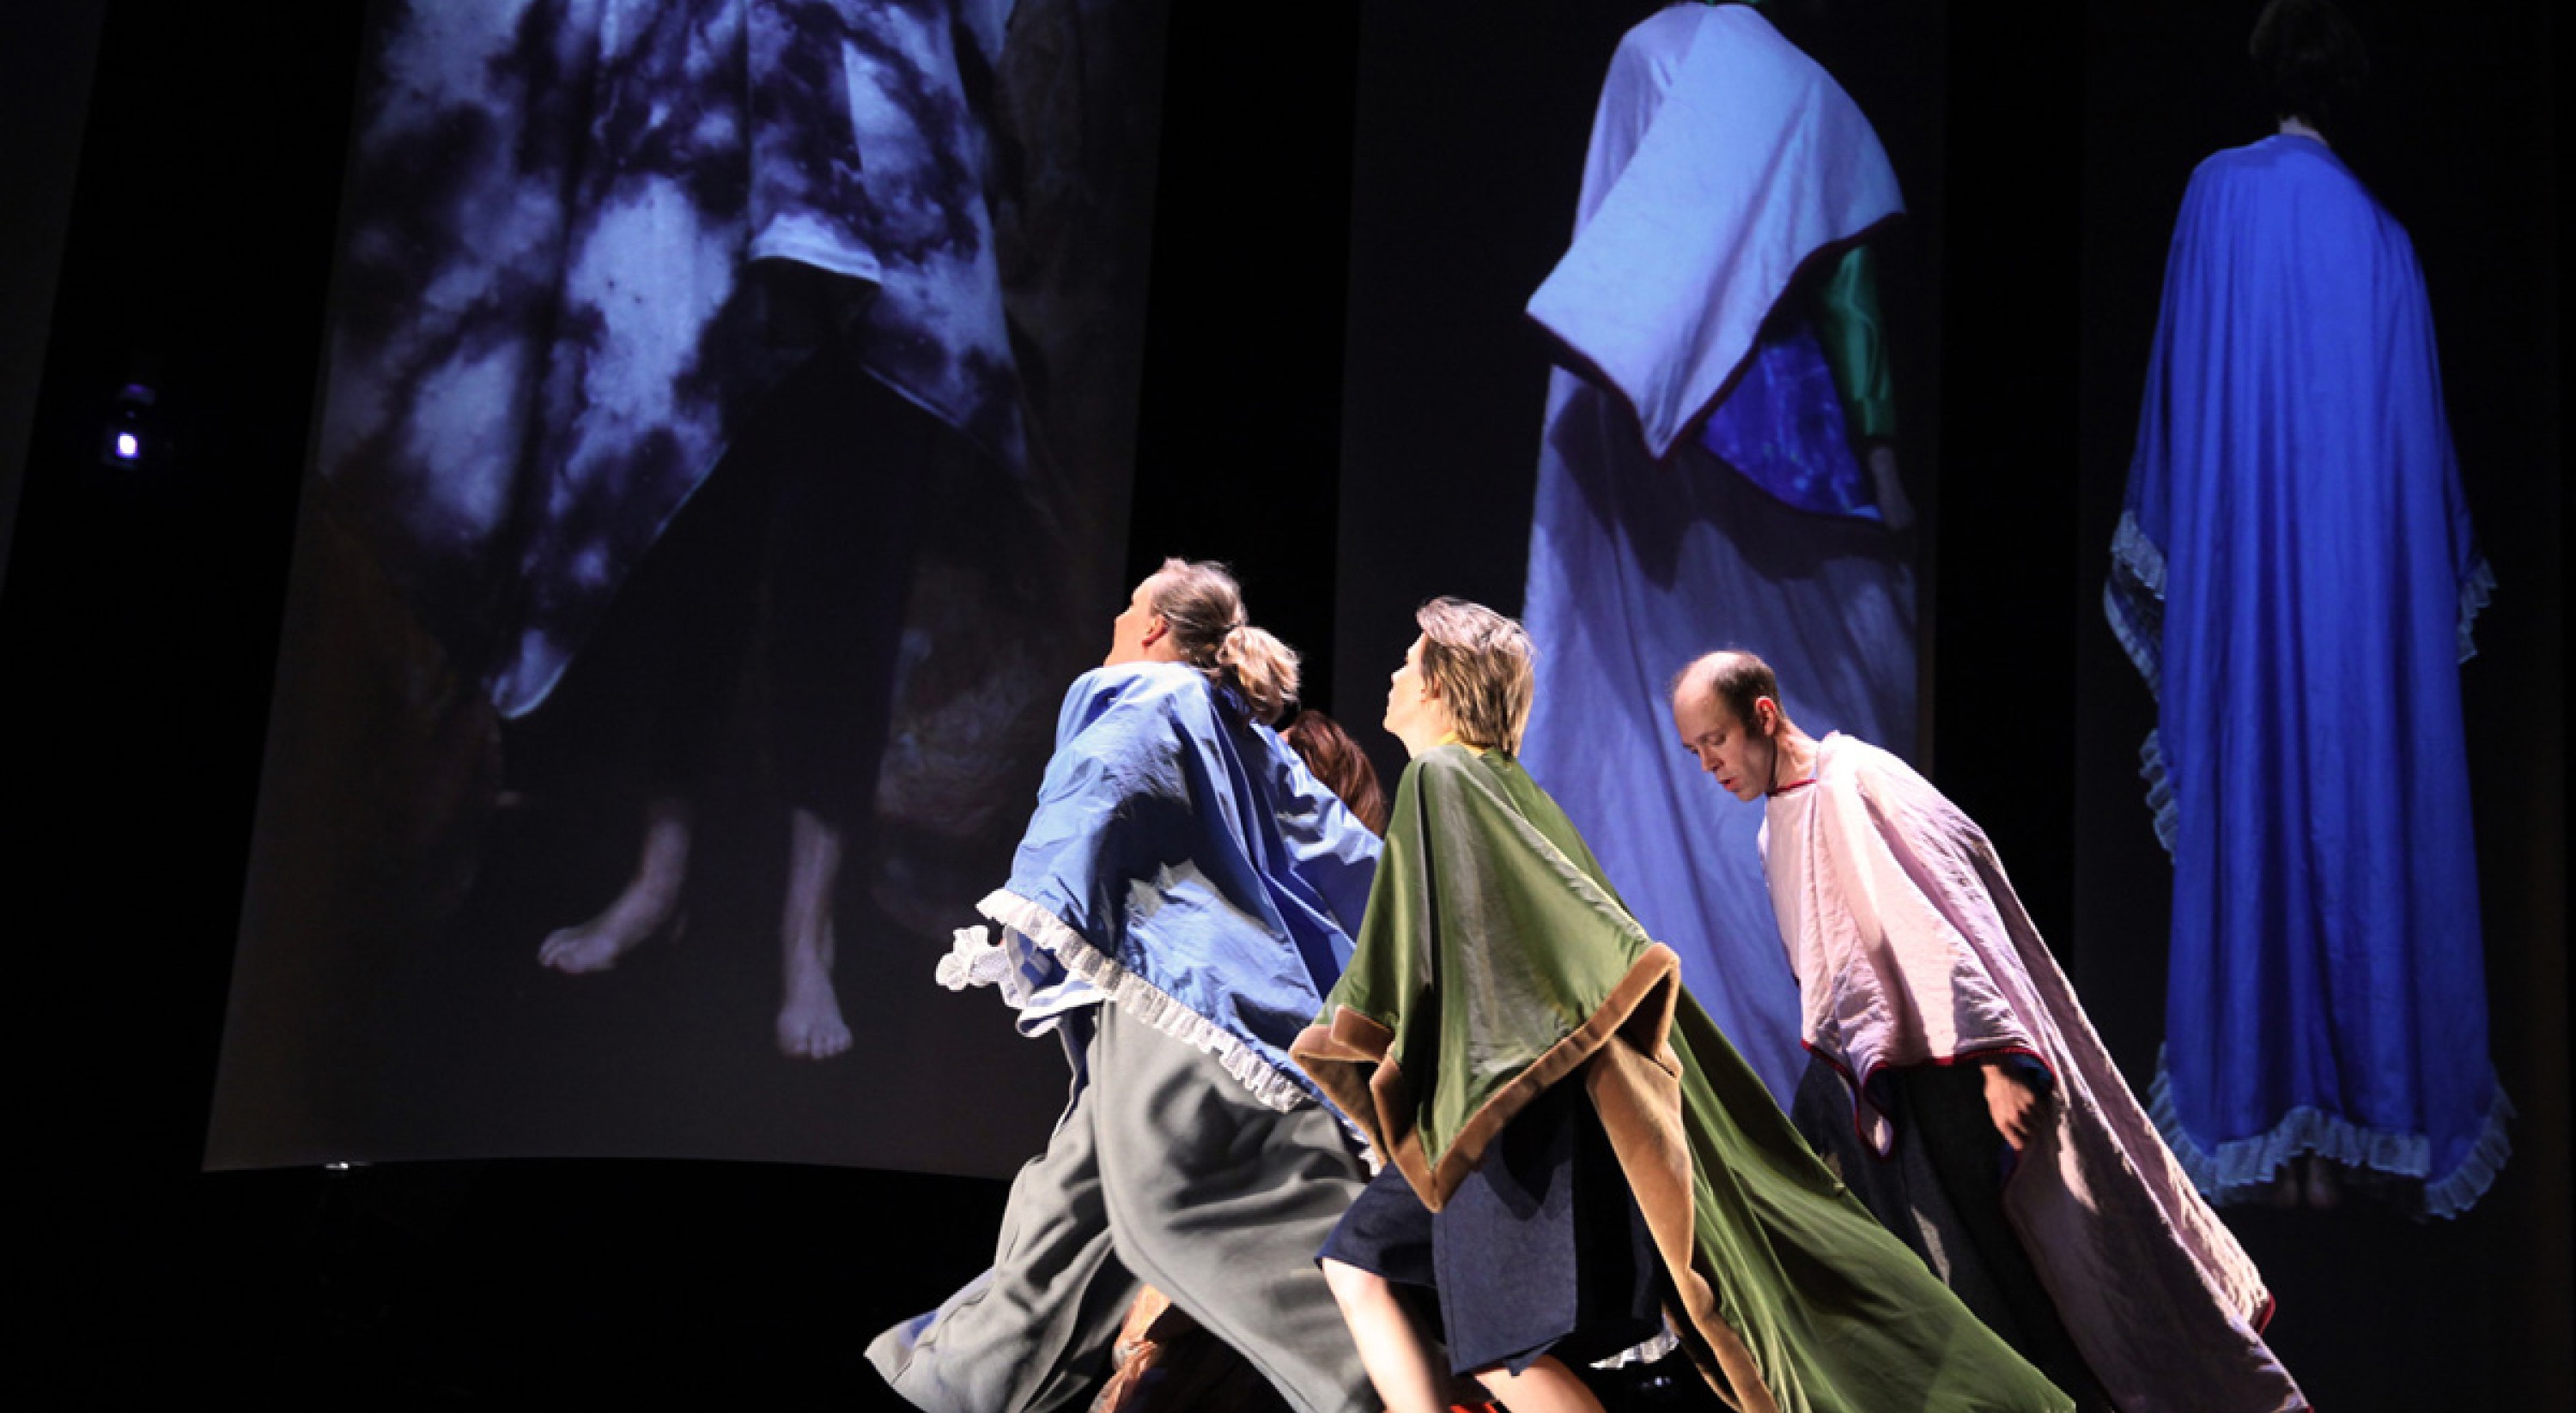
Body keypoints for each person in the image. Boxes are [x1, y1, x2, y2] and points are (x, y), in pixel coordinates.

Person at [1297, 599, 2070, 1413]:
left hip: (1505, 1107)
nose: (1393, 675)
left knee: (1500, 1350)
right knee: (1364, 1262)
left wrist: (1359, 1036)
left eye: (1410, 661)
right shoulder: (1503, 785)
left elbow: (1457, 950)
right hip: (1506, 1098)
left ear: (1443, 683)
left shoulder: (1443, 778)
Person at [2105, 0, 2506, 1217]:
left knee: (2260, 814)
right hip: (2355, 620)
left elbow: (2183, 396)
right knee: (2349, 820)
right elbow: (2420, 479)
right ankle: (2332, 1146)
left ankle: (2285, 1146)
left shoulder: (2220, 195)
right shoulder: (2386, 242)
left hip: (2252, 591)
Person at [1672, 649, 2308, 1412]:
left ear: (1764, 715)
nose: (1708, 765)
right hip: (1873, 1085)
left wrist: (2002, 1060)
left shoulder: (1861, 779)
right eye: (1694, 750)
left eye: (1715, 740)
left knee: (2012, 1285)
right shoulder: (1775, 830)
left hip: (1954, 1071)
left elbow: (1955, 912)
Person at [1516, 1, 1923, 1104]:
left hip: (1657, 457)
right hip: (1795, 461)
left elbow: (1626, 255)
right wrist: (1880, 456)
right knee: (1795, 764)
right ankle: (1809, 1073)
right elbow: (1848, 298)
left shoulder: (1654, 51)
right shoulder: (1804, 89)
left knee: (1652, 751)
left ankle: (1687, 1065)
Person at [869, 560, 1382, 1413]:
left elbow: (1095, 795)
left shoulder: (1144, 693)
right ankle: (959, 1385)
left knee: (1175, 1207)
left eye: (1128, 606)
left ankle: (1389, 1384)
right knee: (1068, 1209)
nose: (1114, 620)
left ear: (1152, 627)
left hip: (1185, 997)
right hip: (1211, 998)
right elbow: (1343, 847)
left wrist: (1031, 918)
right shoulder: (1238, 726)